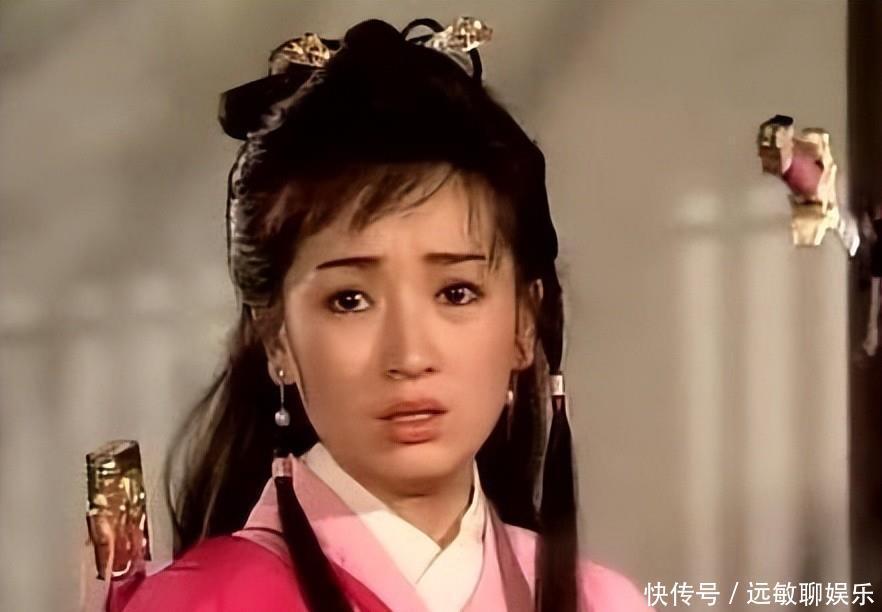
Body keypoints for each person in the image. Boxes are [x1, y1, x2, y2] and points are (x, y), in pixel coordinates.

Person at [97, 17, 651, 612]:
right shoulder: (203, 602)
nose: (409, 356)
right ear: (277, 338)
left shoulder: (602, 601)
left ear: (523, 323)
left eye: (456, 293)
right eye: (350, 300)